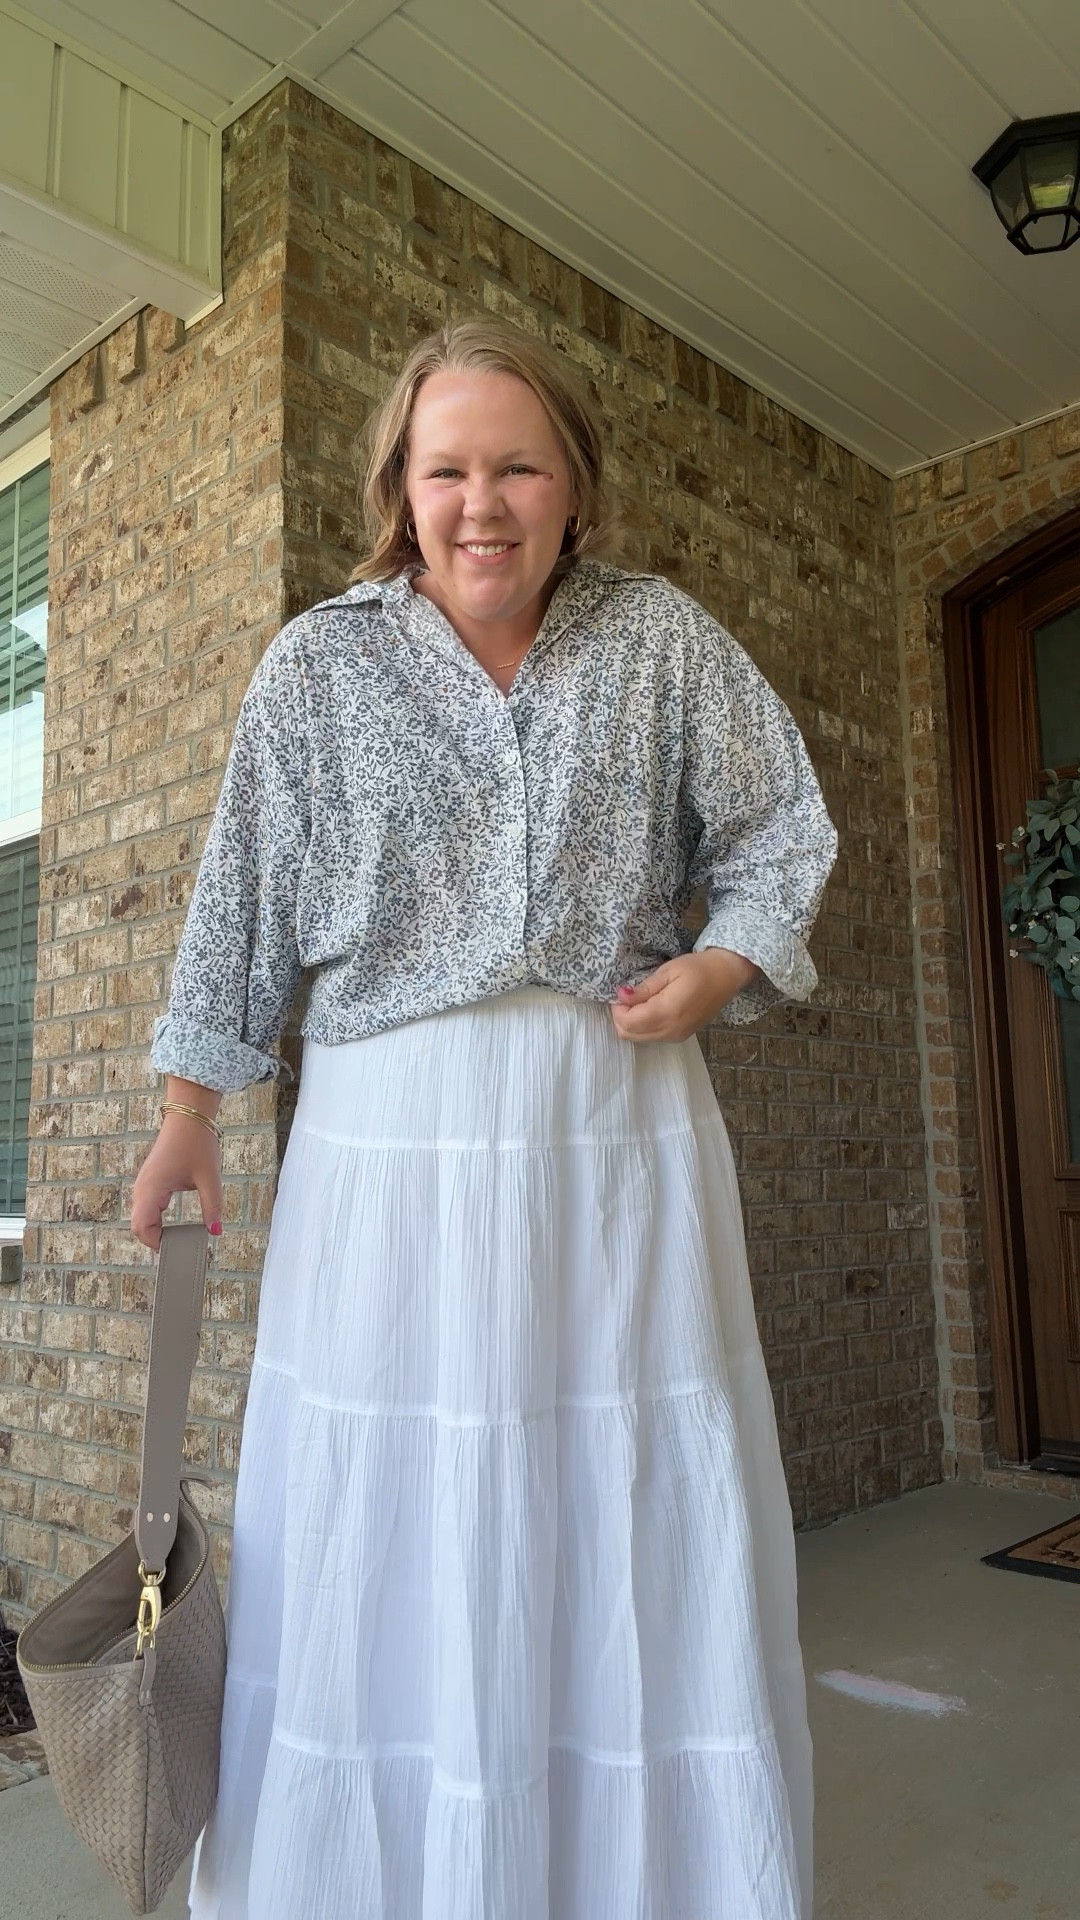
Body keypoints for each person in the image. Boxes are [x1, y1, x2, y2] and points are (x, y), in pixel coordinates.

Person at [132, 316, 837, 1920]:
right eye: (448, 468)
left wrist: (722, 963)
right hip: (387, 1159)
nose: (483, 502)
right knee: (402, 1523)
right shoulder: (320, 664)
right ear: (402, 485)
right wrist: (188, 1109)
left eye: (519, 464)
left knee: (622, 1511)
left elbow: (785, 827)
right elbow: (238, 902)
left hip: (619, 1140)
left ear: (573, 484)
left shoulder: (658, 638)